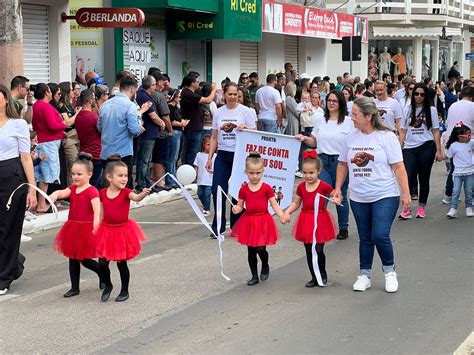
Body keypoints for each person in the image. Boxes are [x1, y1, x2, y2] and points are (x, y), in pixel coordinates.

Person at [334, 97, 411, 293]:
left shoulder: (386, 137)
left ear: (368, 116)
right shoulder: (350, 138)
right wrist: (337, 188)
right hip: (359, 197)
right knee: (365, 238)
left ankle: (389, 272)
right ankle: (364, 275)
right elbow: (343, 164)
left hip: (385, 194)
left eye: (355, 114)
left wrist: (406, 193)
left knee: (380, 235)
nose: (352, 118)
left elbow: (399, 167)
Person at [297, 90, 353, 240]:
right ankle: (319, 225)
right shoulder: (321, 120)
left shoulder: (348, 122)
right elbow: (314, 142)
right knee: (322, 194)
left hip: (341, 162)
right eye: (329, 100)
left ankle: (343, 228)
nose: (331, 103)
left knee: (339, 194)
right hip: (322, 161)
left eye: (335, 101)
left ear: (341, 103)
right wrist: (303, 138)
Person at [96, 156, 150, 302]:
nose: (124, 178)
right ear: (109, 177)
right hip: (106, 230)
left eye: (126, 175)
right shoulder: (102, 193)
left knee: (121, 263)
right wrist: (96, 228)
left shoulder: (126, 192)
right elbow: (101, 213)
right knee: (102, 262)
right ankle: (108, 285)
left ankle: (124, 290)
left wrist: (143, 194)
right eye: (120, 176)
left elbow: (137, 198)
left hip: (122, 231)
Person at [206, 83, 257, 236]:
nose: (233, 97)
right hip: (222, 155)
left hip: (240, 155)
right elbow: (214, 137)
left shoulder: (246, 111)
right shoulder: (219, 112)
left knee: (237, 191)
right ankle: (218, 226)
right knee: (217, 189)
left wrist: (244, 128)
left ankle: (237, 225)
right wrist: (210, 157)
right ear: (224, 95)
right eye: (230, 94)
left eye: (236, 94)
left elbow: (254, 133)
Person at [0, 85, 37, 295]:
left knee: (8, 228)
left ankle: (4, 277)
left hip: (12, 176)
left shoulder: (18, 125)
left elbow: (25, 157)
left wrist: (31, 188)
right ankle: (14, 263)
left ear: (6, 99)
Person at [49, 153, 102, 297]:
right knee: (72, 258)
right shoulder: (72, 189)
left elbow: (97, 209)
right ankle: (74, 287)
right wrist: (54, 195)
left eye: (79, 174)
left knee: (84, 260)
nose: (75, 177)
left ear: (89, 174)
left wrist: (96, 223)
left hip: (87, 228)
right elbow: (62, 192)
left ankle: (101, 273)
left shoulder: (92, 191)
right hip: (72, 228)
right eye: (73, 174)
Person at [282, 150, 338, 287]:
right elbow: (296, 203)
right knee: (308, 250)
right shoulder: (301, 186)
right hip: (306, 219)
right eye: (305, 172)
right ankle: (314, 276)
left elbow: (334, 194)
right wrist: (287, 212)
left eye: (311, 173)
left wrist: (336, 198)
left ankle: (322, 274)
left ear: (318, 171)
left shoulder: (323, 185)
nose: (308, 176)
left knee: (318, 249)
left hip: (320, 219)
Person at [230, 152, 285, 286]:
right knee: (251, 250)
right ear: (246, 172)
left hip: (263, 220)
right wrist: (236, 209)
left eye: (258, 173)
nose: (255, 176)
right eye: (251, 173)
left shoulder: (266, 188)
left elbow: (274, 204)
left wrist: (282, 215)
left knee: (261, 248)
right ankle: (254, 275)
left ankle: (265, 264)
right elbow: (240, 205)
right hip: (249, 221)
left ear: (263, 171)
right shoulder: (243, 189)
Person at [398, 83, 443, 219]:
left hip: (426, 146)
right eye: (416, 93)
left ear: (426, 96)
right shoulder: (406, 109)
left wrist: (438, 150)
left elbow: (435, 131)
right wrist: (399, 149)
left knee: (424, 178)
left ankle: (421, 207)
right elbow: (403, 131)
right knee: (409, 177)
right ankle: (407, 207)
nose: (418, 96)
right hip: (409, 148)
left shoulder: (432, 110)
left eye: (422, 94)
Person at [98, 76, 144, 189]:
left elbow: (99, 127)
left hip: (106, 152)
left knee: (108, 186)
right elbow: (133, 129)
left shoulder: (105, 105)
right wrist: (140, 128)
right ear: (133, 90)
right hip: (123, 153)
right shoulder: (130, 106)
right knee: (123, 186)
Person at [32, 83, 67, 212]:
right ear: (47, 92)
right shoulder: (45, 106)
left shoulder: (37, 105)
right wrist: (63, 124)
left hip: (43, 142)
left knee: (42, 175)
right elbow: (52, 125)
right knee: (46, 174)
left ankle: (40, 202)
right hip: (48, 143)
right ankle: (41, 204)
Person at [443, 86, 474, 204]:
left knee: (454, 168)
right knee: (471, 168)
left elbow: (448, 123)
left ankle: (448, 194)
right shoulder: (472, 106)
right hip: (468, 141)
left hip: (453, 140)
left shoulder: (453, 106)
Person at [134, 75, 165, 192]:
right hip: (147, 134)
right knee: (144, 160)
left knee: (146, 159)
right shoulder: (144, 96)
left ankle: (146, 183)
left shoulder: (144, 94)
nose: (155, 87)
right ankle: (142, 184)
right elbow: (153, 116)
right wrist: (162, 123)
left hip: (150, 133)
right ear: (151, 85)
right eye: (154, 85)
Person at [180, 74, 217, 166]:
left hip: (195, 127)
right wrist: (214, 89)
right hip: (192, 128)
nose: (198, 83)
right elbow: (208, 100)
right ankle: (189, 172)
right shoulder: (187, 93)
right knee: (192, 153)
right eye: (197, 81)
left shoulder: (191, 93)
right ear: (192, 83)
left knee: (192, 152)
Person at [74, 89, 102, 189]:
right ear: (90, 100)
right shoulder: (93, 117)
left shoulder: (78, 117)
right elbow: (101, 132)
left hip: (83, 152)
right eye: (94, 98)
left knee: (85, 184)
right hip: (95, 153)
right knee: (94, 184)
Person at [444, 123, 473, 218]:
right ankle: (453, 209)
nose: (470, 136)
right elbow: (448, 155)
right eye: (468, 134)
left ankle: (469, 207)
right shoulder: (453, 146)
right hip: (457, 173)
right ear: (460, 136)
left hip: (470, 172)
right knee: (456, 191)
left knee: (469, 191)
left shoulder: (471, 143)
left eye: (470, 134)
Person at [167, 89, 188, 184]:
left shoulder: (177, 107)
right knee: (172, 157)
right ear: (174, 97)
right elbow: (171, 121)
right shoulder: (170, 107)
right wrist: (181, 123)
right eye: (179, 97)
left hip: (179, 132)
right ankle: (171, 180)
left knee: (176, 157)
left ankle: (174, 178)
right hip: (174, 132)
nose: (180, 99)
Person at [194, 135, 215, 216]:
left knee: (207, 194)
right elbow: (196, 166)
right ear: (203, 145)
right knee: (200, 194)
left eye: (211, 144)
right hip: (200, 180)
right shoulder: (199, 155)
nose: (210, 146)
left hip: (209, 180)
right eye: (208, 144)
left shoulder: (215, 156)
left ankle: (206, 209)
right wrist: (194, 175)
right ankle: (204, 204)